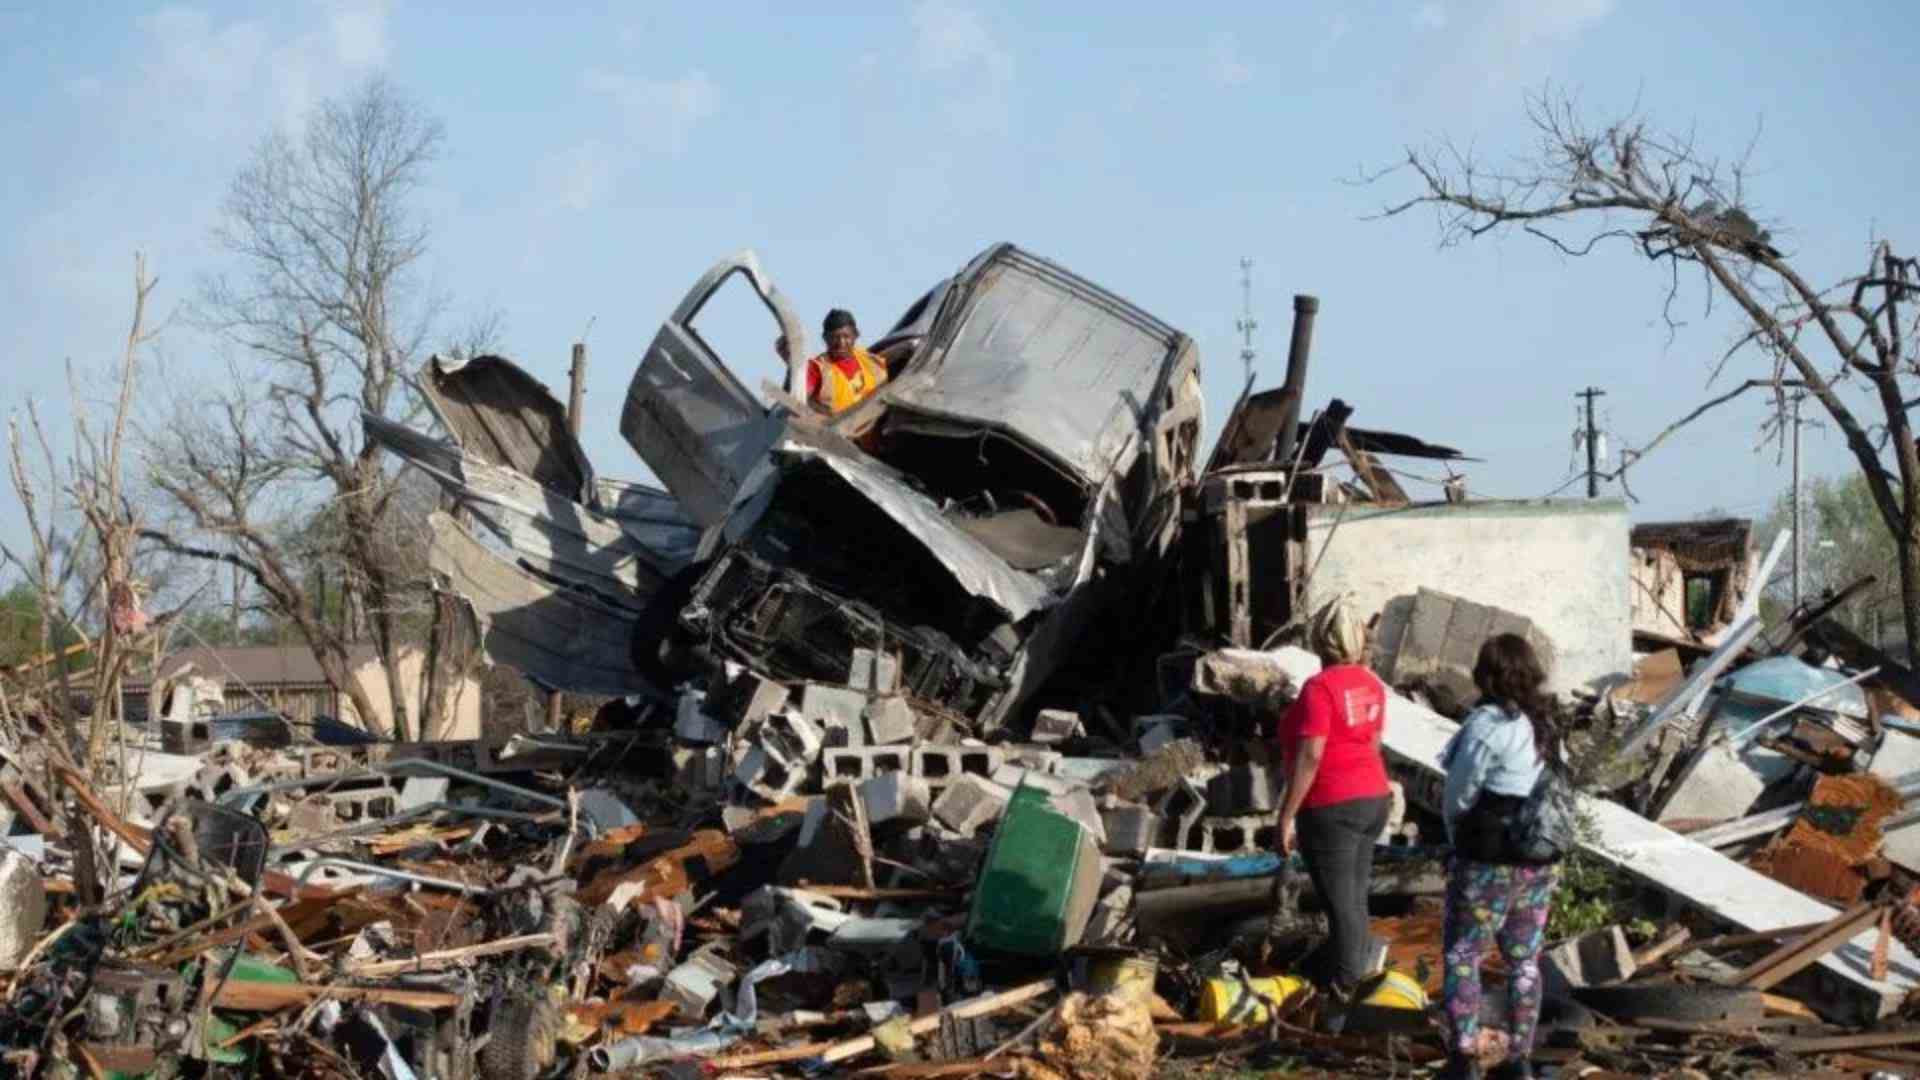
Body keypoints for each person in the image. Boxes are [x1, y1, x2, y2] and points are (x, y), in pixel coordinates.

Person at [1436, 634, 1564, 1080]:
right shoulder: (1545, 724)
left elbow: (1460, 794)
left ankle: (1465, 1057)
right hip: (1538, 861)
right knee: (1524, 960)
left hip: (1487, 859)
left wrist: (1456, 841)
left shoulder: (1488, 724)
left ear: (1485, 674)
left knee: (1462, 954)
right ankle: (1520, 1059)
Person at [1273, 597, 1391, 1011]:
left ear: (1319, 640)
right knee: (1354, 903)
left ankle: (1342, 1008)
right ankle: (1347, 990)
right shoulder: (1371, 685)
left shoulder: (1319, 689)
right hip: (1372, 800)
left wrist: (1286, 815)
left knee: (1343, 911)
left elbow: (1311, 755)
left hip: (1331, 807)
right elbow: (1373, 744)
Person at [777, 308, 887, 415]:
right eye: (835, 337)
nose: (841, 342)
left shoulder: (870, 361)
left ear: (856, 335)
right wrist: (792, 364)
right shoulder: (817, 368)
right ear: (825, 338)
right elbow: (797, 398)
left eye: (846, 336)